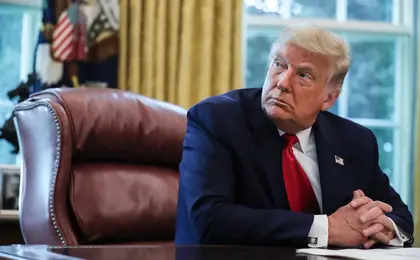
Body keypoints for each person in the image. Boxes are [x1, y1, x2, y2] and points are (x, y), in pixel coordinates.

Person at [174, 24, 414, 248]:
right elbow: (210, 219)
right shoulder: (217, 119)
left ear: (329, 98)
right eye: (279, 64)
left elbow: (400, 215)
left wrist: (383, 226)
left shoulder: (354, 140)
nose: (282, 82)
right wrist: (328, 229)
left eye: (304, 76)